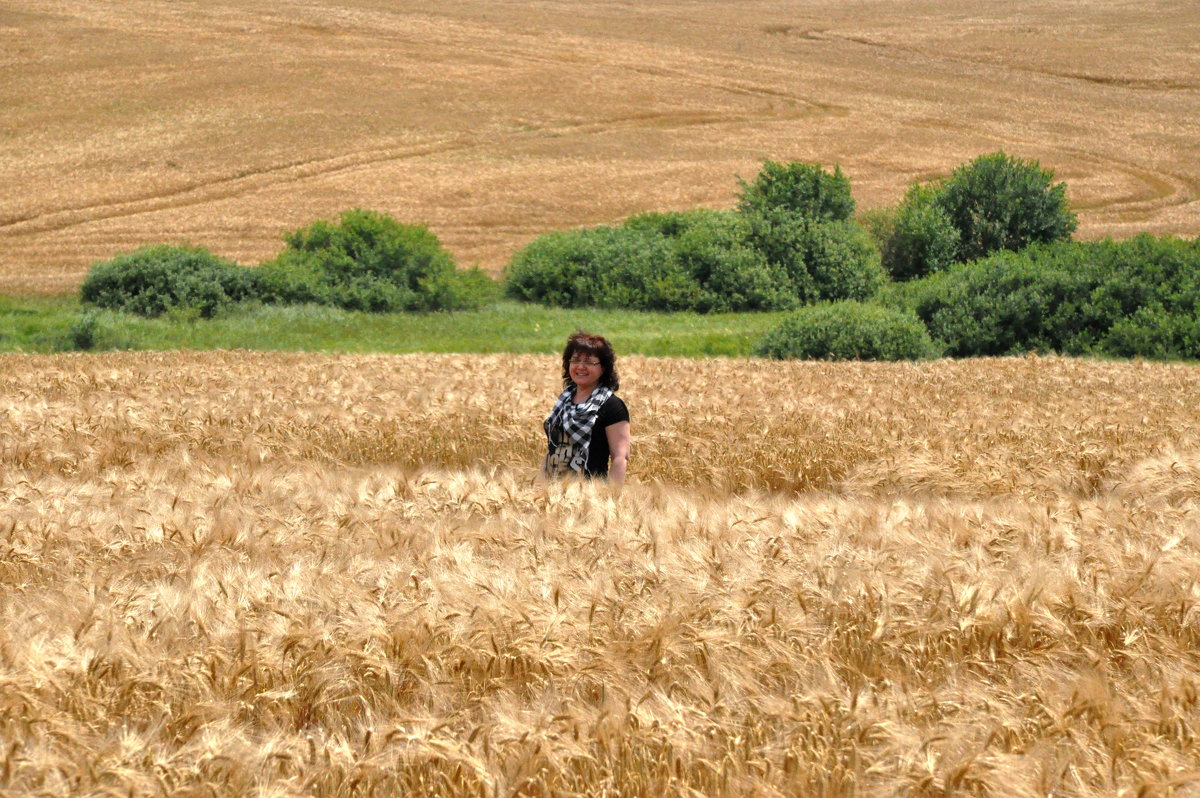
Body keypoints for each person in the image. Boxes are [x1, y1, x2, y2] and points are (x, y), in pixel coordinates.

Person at [543, 331, 630, 487]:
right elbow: (553, 450)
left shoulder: (612, 406)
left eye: (589, 362)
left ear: (603, 368)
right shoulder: (563, 402)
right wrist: (538, 490)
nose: (581, 367)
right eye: (575, 360)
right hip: (553, 492)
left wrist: (611, 499)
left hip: (590, 494)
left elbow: (620, 457)